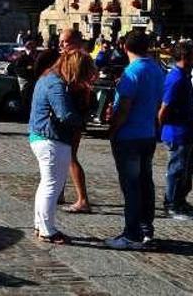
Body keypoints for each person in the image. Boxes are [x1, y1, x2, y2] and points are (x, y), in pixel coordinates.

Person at [105, 31, 165, 250]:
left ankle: (131, 234)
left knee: (131, 186)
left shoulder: (133, 71)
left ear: (123, 46)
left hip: (129, 136)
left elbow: (124, 108)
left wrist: (112, 130)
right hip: (147, 133)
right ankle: (146, 230)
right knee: (145, 184)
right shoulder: (157, 69)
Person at [28, 51, 92, 244]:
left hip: (42, 137)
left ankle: (41, 225)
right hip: (51, 138)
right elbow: (64, 115)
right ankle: (47, 230)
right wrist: (83, 120)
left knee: (46, 184)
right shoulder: (56, 83)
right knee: (51, 186)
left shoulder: (47, 77)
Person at [55, 28, 93, 214]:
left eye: (65, 42)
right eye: (61, 41)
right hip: (72, 112)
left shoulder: (80, 59)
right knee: (63, 156)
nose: (61, 45)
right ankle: (59, 192)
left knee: (70, 156)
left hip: (73, 113)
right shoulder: (70, 57)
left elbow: (75, 82)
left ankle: (82, 199)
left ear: (77, 42)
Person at [159, 41, 193, 220]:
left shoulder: (184, 76)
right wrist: (160, 129)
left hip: (186, 131)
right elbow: (164, 108)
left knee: (186, 171)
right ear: (186, 57)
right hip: (176, 132)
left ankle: (180, 201)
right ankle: (171, 204)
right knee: (176, 170)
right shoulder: (176, 78)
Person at [14, 39, 39, 113]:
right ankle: (24, 110)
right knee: (25, 94)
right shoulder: (22, 56)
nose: (34, 48)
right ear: (29, 47)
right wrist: (28, 69)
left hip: (33, 79)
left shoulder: (36, 55)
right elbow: (18, 69)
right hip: (25, 79)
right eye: (33, 47)